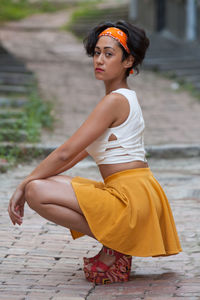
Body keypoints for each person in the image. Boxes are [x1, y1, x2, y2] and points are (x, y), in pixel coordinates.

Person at [8, 20, 182, 285]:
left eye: (109, 54)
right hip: (137, 195)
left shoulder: (115, 101)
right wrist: (34, 178)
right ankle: (116, 243)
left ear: (128, 61)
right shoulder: (124, 98)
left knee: (35, 192)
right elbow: (77, 155)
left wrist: (23, 184)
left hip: (130, 199)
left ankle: (117, 244)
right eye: (97, 52)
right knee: (42, 183)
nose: (99, 60)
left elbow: (66, 153)